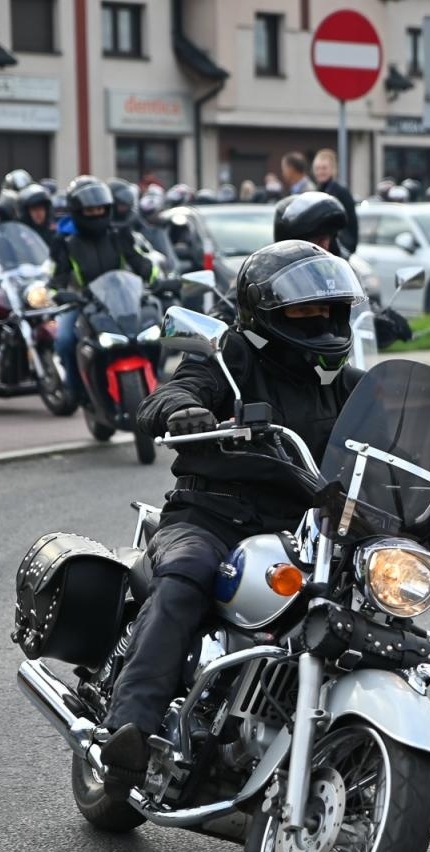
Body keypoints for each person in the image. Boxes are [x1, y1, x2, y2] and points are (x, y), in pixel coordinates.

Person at [98, 240, 368, 792]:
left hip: (304, 536)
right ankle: (128, 724)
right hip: (210, 518)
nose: (318, 320)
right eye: (302, 311)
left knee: (370, 610)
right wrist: (183, 409)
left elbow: (394, 444)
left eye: (328, 310)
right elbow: (166, 396)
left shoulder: (351, 386)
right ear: (264, 315)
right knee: (186, 578)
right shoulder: (228, 358)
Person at [50, 176, 158, 407]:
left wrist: (155, 277)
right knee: (65, 340)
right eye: (90, 210)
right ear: (78, 211)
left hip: (120, 298)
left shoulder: (120, 234)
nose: (96, 214)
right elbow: (58, 275)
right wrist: (59, 291)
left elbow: (138, 261)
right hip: (83, 302)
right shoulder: (66, 242)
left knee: (154, 329)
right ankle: (74, 389)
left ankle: (158, 382)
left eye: (100, 209)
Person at [310, 148, 358, 256]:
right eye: (317, 168)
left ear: (333, 170)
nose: (320, 172)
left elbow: (350, 223)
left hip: (339, 251)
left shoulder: (341, 192)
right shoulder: (317, 191)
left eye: (324, 168)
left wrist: (347, 247)